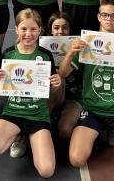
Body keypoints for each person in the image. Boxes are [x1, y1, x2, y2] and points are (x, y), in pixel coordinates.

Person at [58, 0, 114, 172]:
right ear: (98, 17)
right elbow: (62, 74)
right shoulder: (87, 44)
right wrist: (70, 53)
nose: (109, 19)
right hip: (92, 111)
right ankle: (102, 131)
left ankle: (111, 130)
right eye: (105, 15)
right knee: (76, 159)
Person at [0, 9, 61, 179]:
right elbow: (0, 90)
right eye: (24, 29)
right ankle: (19, 136)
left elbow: (47, 90)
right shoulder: (8, 54)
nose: (28, 34)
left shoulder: (45, 56)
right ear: (16, 29)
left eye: (33, 29)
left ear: (40, 30)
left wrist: (56, 85)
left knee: (46, 171)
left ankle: (31, 136)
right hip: (13, 112)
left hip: (37, 115)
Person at [45, 12, 82, 140]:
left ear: (70, 29)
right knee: (56, 77)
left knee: (65, 131)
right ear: (50, 30)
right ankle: (46, 118)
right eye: (56, 27)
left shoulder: (79, 49)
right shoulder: (41, 49)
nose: (60, 31)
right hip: (49, 97)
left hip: (72, 97)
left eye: (65, 27)